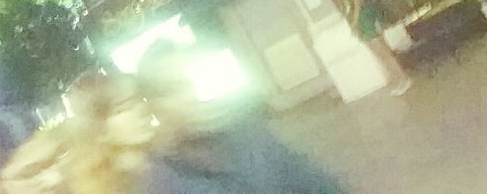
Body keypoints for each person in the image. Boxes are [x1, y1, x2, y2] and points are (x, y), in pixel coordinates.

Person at [136, 40, 344, 194]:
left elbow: (318, 185)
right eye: (175, 88)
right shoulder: (160, 180)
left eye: (192, 82)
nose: (192, 95)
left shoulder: (249, 135)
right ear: (154, 105)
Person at [356, 0, 413, 96]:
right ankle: (401, 80)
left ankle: (402, 80)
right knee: (386, 59)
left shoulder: (364, 3)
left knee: (387, 59)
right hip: (374, 30)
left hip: (372, 31)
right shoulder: (366, 2)